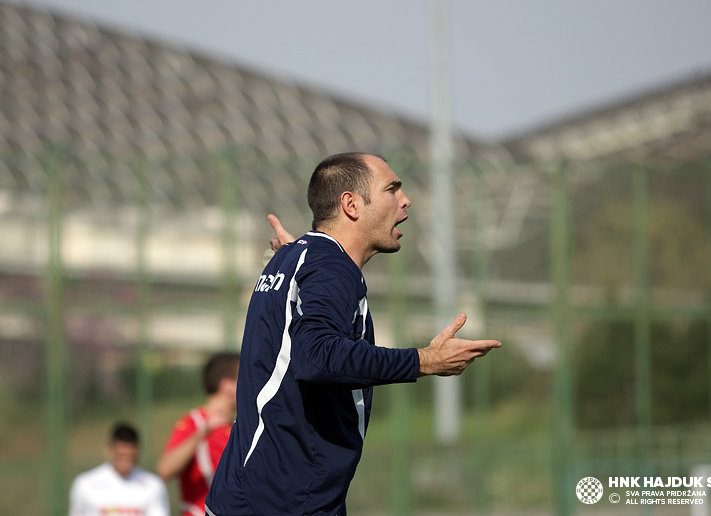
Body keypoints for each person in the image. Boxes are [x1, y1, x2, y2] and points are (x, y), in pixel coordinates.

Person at [205, 152, 502, 516]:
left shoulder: (297, 256)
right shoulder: (330, 266)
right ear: (351, 204)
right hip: (285, 501)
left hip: (249, 492)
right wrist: (424, 360)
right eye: (392, 189)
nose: (405, 200)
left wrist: (299, 256)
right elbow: (317, 355)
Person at [158, 352, 239, 516]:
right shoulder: (194, 422)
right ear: (227, 386)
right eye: (243, 380)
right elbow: (164, 469)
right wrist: (203, 433)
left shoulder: (238, 427)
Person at [69, 422, 169, 516]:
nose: (126, 463)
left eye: (130, 457)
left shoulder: (153, 485)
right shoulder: (85, 483)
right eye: (121, 456)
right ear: (110, 450)